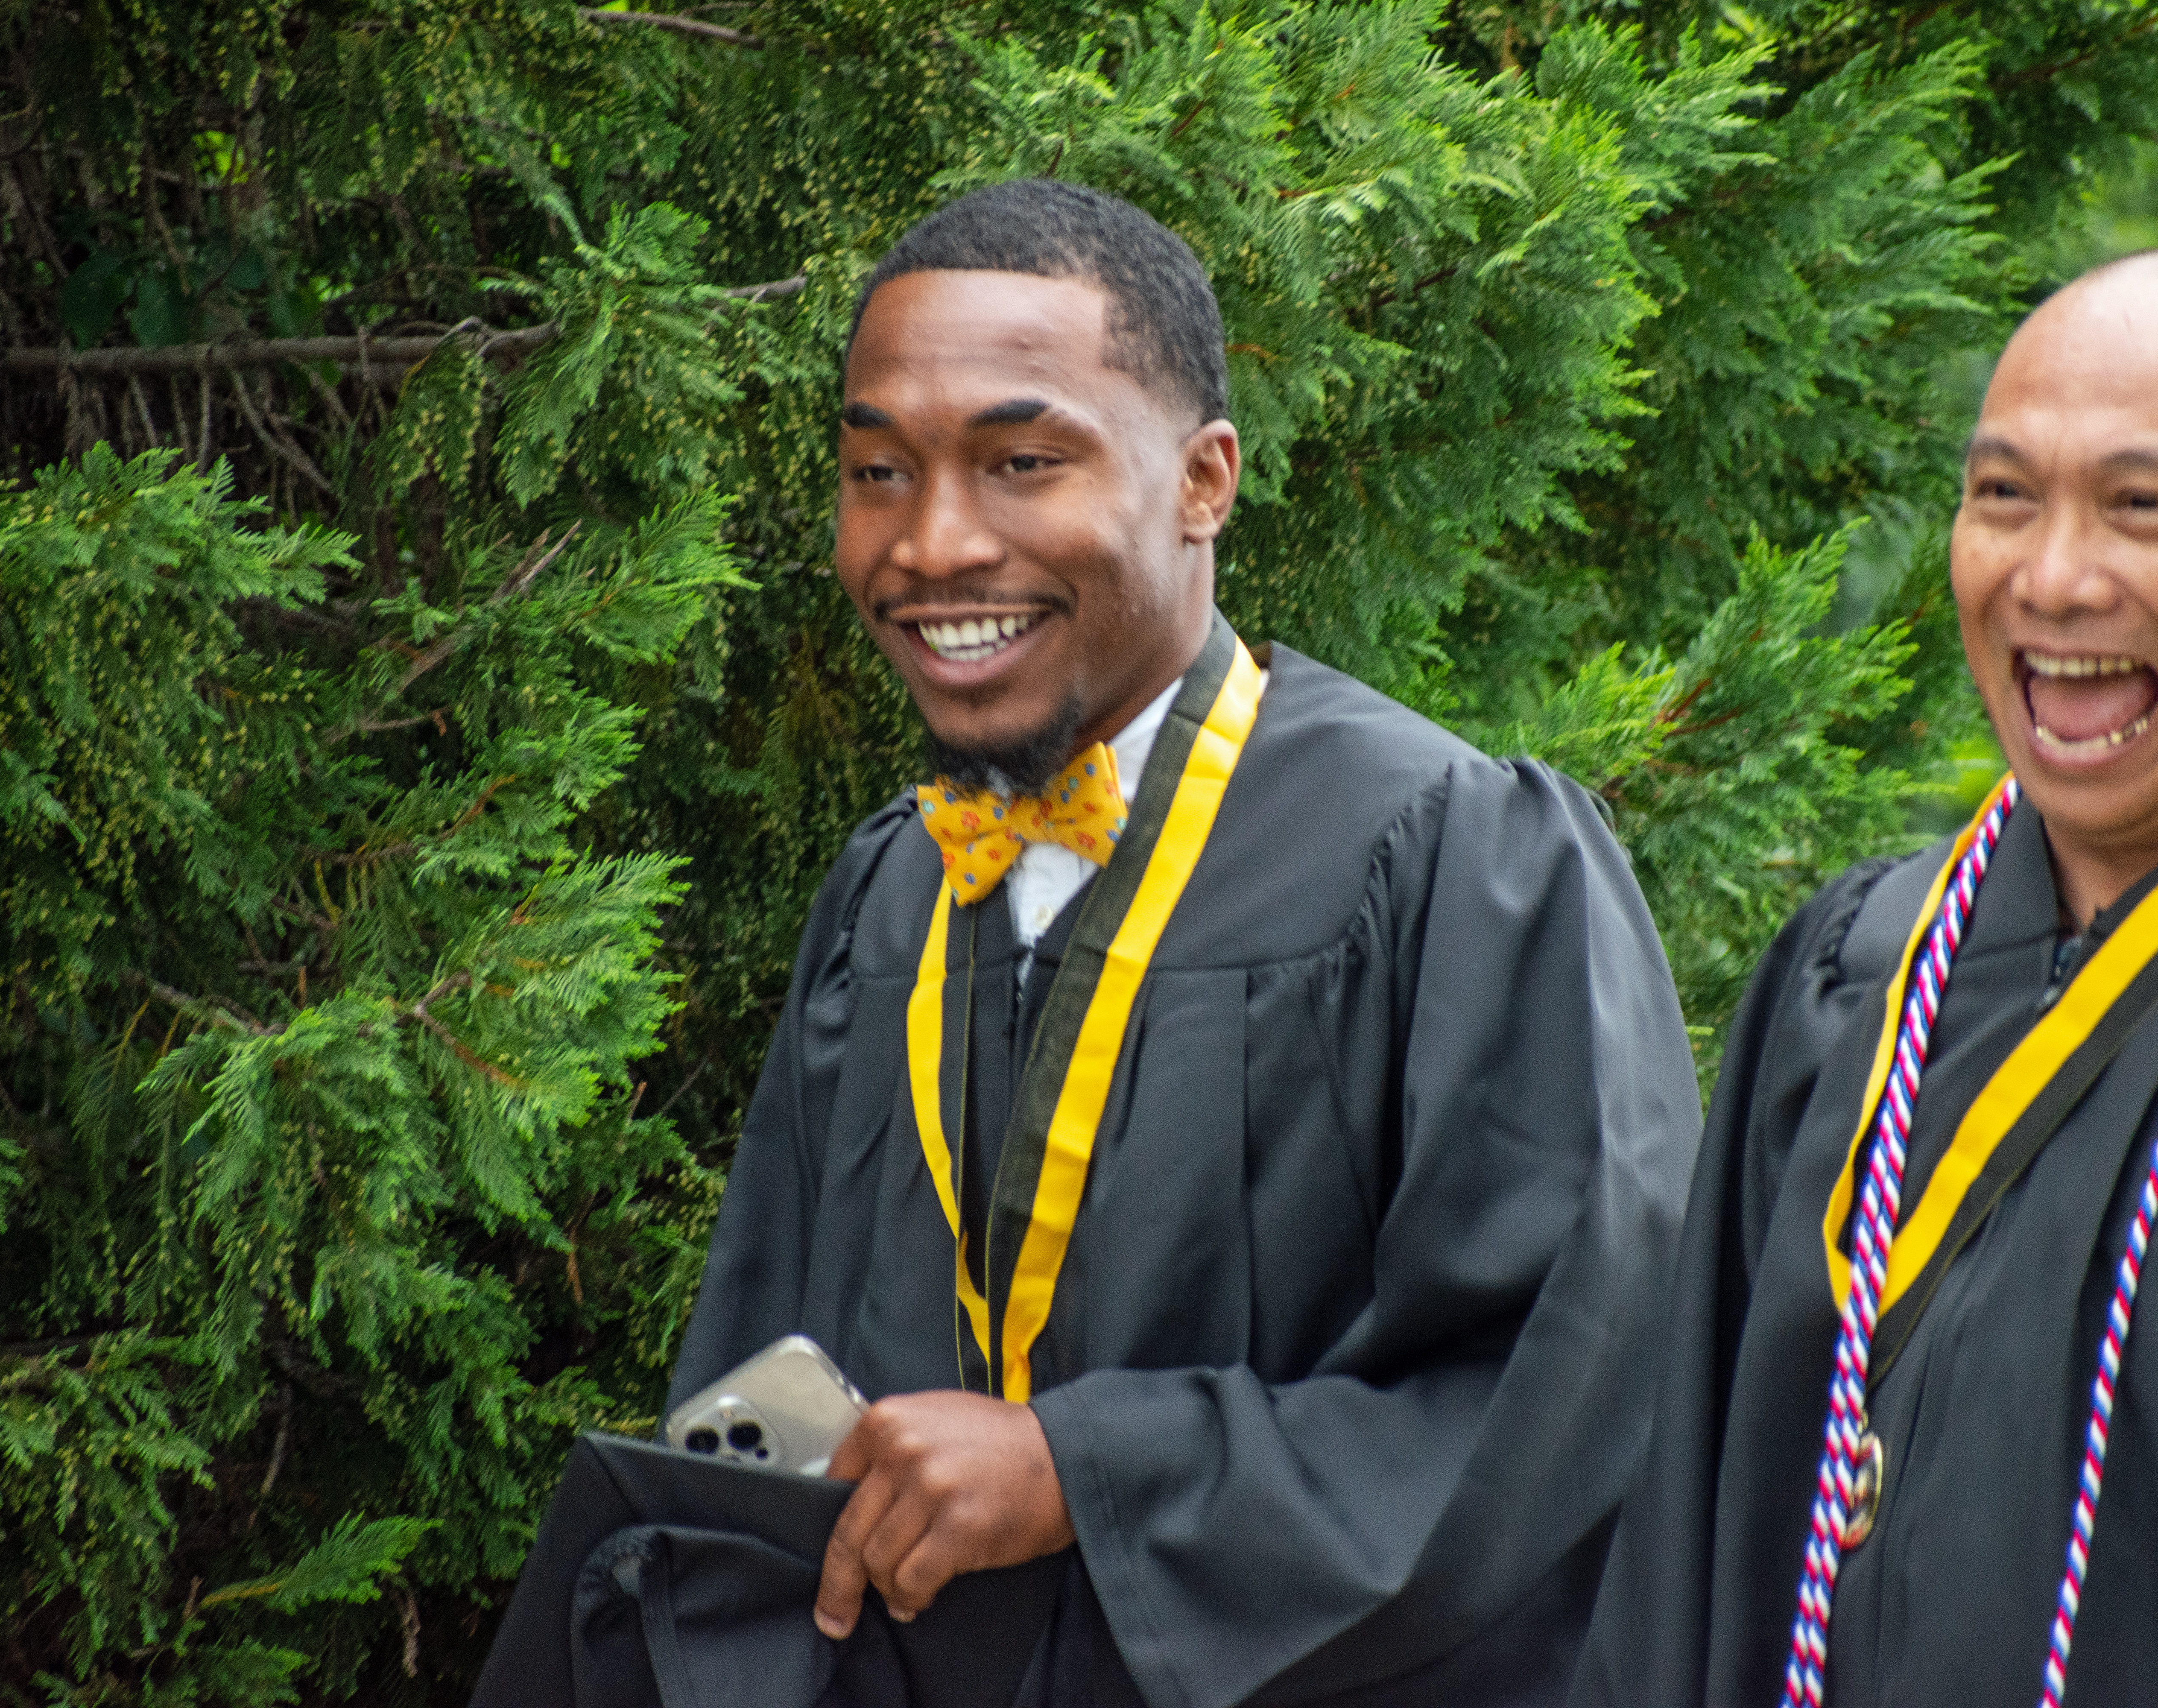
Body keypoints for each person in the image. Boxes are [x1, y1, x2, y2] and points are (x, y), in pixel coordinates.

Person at [670, 177, 1704, 1708]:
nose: (933, 543)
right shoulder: (889, 896)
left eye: (1023, 462)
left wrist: (1084, 1477)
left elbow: (1562, 1403)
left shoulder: (1449, 860)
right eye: (878, 473)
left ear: (1204, 479)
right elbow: (750, 1428)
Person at [1573, 244, 2158, 1708]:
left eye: (2145, 506)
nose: (2053, 578)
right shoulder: (1860, 977)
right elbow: (1682, 1587)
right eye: (2004, 496)